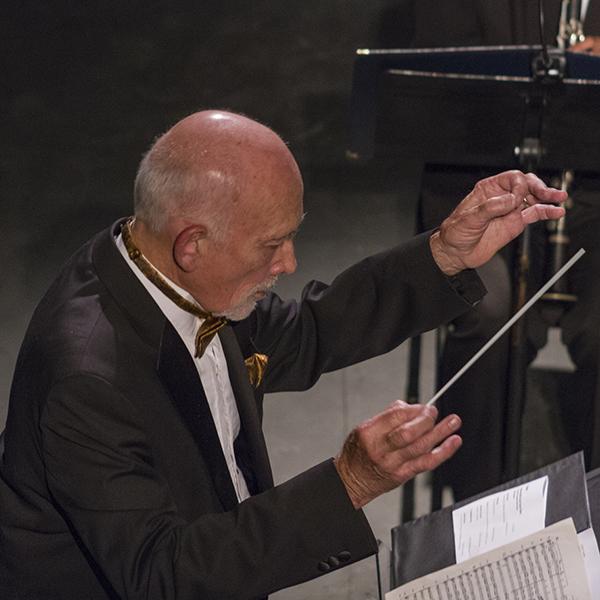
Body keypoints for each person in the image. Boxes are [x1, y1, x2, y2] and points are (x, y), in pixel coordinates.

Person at [0, 110, 565, 599]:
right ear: (192, 243)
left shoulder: (160, 268)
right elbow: (161, 577)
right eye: (273, 244)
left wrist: (444, 253)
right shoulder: (89, 380)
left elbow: (306, 333)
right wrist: (350, 482)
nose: (291, 263)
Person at [411, 0, 600, 501]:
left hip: (593, 196)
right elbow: (438, 85)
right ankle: (477, 512)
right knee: (490, 311)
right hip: (483, 187)